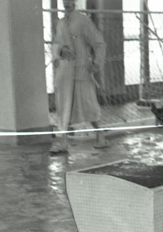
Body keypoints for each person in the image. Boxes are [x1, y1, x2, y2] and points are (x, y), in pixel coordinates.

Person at [50, 0, 108, 154]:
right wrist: (60, 51)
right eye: (64, 1)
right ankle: (63, 143)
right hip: (65, 71)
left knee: (88, 105)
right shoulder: (61, 23)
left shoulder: (83, 21)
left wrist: (96, 64)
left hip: (81, 71)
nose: (67, 3)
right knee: (63, 107)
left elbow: (99, 43)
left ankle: (100, 136)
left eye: (70, 0)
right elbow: (56, 44)